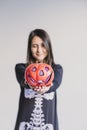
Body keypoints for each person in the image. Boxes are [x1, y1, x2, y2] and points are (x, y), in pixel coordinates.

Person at [14, 29, 63, 130]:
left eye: (43, 45)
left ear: (48, 46)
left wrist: (47, 88)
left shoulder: (56, 69)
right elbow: (24, 80)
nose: (39, 50)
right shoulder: (21, 68)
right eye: (34, 46)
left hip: (48, 125)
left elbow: (55, 83)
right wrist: (31, 84)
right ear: (29, 48)